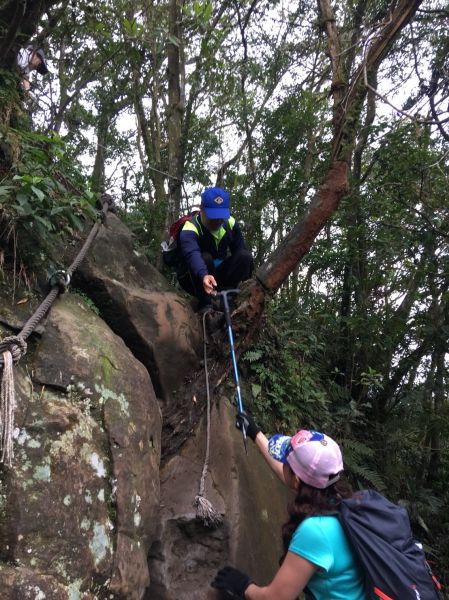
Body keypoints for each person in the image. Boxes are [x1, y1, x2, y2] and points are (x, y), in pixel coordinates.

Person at [211, 412, 368, 600]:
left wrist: (244, 586)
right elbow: (287, 474)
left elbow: (275, 598)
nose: (284, 462)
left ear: (297, 478)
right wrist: (255, 433)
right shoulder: (341, 502)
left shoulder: (316, 531)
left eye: (287, 460)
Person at [177, 187, 253, 311]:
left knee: (245, 256)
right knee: (205, 257)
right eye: (213, 217)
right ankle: (206, 303)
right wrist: (204, 275)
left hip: (218, 275)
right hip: (194, 276)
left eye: (221, 216)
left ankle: (228, 297)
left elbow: (240, 254)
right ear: (201, 209)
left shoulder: (230, 224)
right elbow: (192, 255)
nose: (217, 221)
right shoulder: (190, 228)